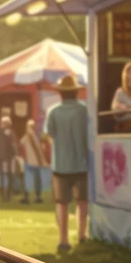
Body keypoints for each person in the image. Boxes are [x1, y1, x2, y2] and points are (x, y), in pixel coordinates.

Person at [46, 74, 90, 252]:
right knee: (83, 201)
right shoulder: (84, 110)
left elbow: (50, 134)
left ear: (60, 93)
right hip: (82, 163)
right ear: (76, 92)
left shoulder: (54, 111)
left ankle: (63, 239)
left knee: (62, 203)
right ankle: (82, 234)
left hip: (61, 164)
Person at [19, 121, 48, 204]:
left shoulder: (29, 137)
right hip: (33, 162)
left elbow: (21, 143)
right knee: (35, 180)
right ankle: (35, 197)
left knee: (30, 180)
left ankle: (29, 197)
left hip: (31, 162)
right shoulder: (33, 137)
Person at [0, 115, 18, 200]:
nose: (1, 124)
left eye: (2, 123)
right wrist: (16, 154)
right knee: (9, 176)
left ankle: (4, 195)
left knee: (3, 176)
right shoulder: (10, 133)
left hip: (2, 157)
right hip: (8, 157)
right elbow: (13, 144)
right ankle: (8, 195)